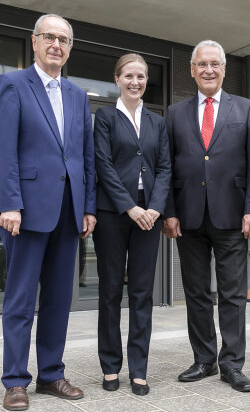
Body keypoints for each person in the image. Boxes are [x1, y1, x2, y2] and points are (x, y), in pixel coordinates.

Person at [0, 13, 97, 411]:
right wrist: (9, 203)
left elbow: (85, 156)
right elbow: (2, 150)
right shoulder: (13, 84)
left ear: (70, 49)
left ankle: (51, 374)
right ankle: (16, 380)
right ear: (34, 42)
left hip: (68, 214)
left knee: (57, 299)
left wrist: (88, 207)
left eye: (64, 40)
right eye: (49, 37)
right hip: (26, 212)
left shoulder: (78, 95)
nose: (56, 44)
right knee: (20, 299)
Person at [163, 40, 250, 393]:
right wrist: (170, 212)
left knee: (233, 294)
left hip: (233, 216)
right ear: (192, 70)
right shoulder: (175, 113)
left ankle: (232, 364)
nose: (208, 70)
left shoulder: (246, 108)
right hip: (188, 217)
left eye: (215, 64)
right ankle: (204, 359)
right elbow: (168, 167)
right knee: (195, 293)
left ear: (224, 69)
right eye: (202, 64)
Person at [92, 53, 171, 396]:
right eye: (129, 76)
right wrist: (128, 206)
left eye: (140, 77)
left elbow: (165, 168)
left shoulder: (158, 122)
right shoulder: (105, 118)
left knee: (141, 294)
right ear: (117, 80)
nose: (135, 82)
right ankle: (111, 366)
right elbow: (103, 166)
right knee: (110, 292)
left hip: (149, 218)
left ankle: (139, 369)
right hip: (113, 214)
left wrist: (154, 208)